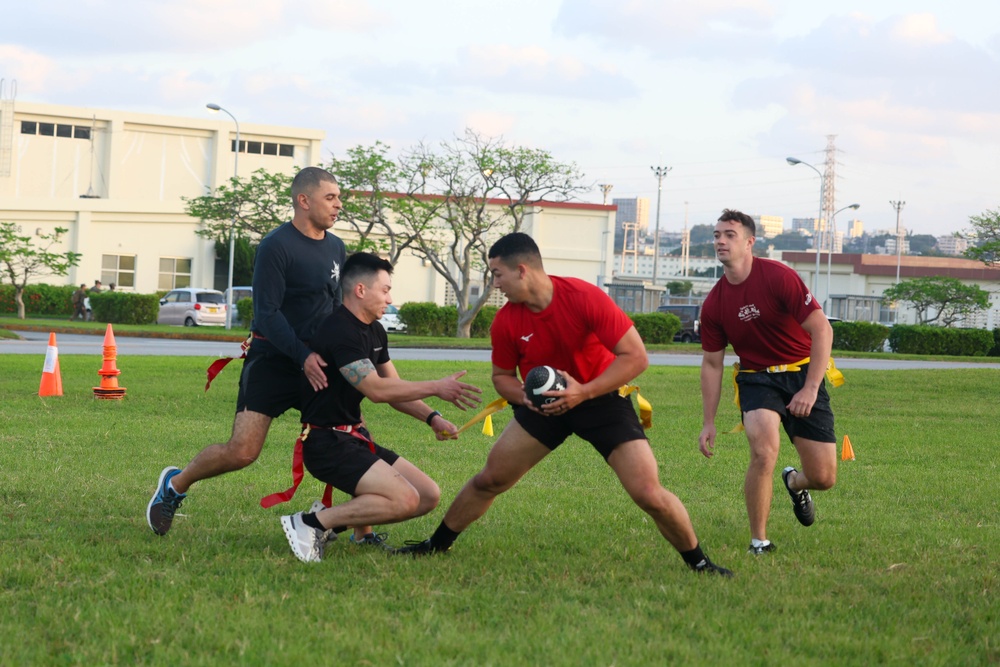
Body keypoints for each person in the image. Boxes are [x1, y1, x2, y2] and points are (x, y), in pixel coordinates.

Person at [396, 232, 732, 577]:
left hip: (600, 399)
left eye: (498, 274)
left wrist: (583, 392)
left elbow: (635, 357)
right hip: (543, 408)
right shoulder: (507, 320)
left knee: (648, 491)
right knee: (490, 480)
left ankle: (701, 564)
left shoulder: (583, 297)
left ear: (522, 270)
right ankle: (434, 546)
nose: (495, 284)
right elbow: (502, 378)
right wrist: (527, 399)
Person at [147, 166, 348, 536]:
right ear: (304, 200)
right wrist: (301, 356)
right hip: (274, 361)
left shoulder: (337, 247)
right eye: (330, 198)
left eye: (338, 197)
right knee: (242, 451)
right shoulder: (277, 245)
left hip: (318, 364)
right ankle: (175, 485)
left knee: (349, 438)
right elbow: (267, 314)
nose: (339, 206)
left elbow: (335, 309)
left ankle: (362, 530)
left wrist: (338, 352)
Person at [278, 252, 482, 563]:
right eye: (385, 290)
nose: (390, 298)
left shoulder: (374, 330)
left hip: (354, 438)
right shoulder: (339, 331)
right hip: (326, 443)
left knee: (428, 495)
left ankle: (353, 530)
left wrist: (432, 417)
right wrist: (437, 386)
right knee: (404, 499)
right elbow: (375, 389)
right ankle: (311, 523)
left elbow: (395, 389)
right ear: (361, 290)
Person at [697, 209, 838, 556]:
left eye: (729, 234)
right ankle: (759, 540)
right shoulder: (714, 303)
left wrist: (810, 388)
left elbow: (822, 329)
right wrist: (709, 421)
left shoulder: (778, 277)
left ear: (749, 242)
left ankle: (794, 481)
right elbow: (713, 364)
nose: (720, 241)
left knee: (823, 477)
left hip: (803, 372)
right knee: (763, 451)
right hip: (757, 378)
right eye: (716, 235)